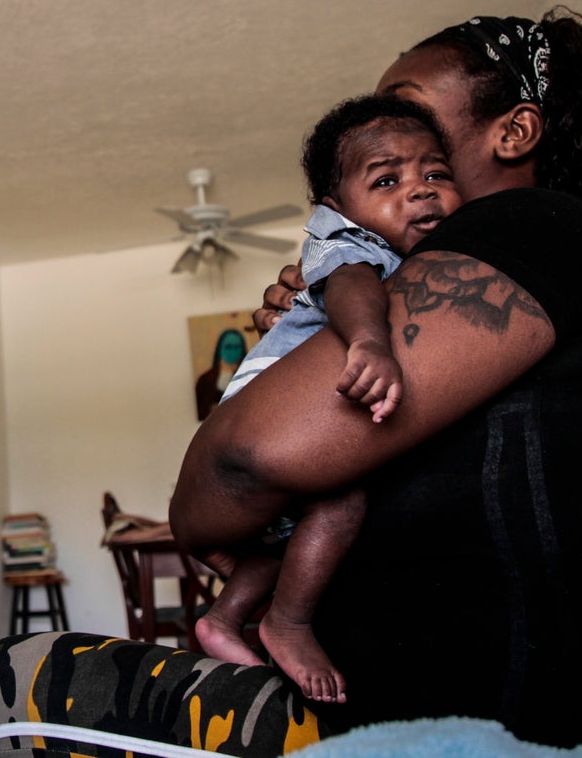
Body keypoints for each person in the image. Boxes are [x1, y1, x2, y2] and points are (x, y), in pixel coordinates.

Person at [0, 10, 582, 758]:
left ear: (514, 131)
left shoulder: (530, 225)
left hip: (488, 726)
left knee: (4, 679)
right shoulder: (557, 259)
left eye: (408, 115)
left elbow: (244, 460)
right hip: (464, 703)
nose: (392, 142)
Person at [196, 95, 462, 705]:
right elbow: (351, 289)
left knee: (295, 542)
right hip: (275, 428)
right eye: (388, 179)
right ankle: (287, 623)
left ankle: (222, 617)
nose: (420, 191)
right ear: (338, 209)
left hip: (263, 433)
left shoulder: (408, 256)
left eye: (436, 173)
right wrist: (370, 342)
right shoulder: (346, 246)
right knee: (340, 500)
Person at [193, 328, 249, 420]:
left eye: (237, 347)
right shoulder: (205, 380)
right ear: (220, 349)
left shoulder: (249, 377)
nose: (233, 351)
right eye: (228, 347)